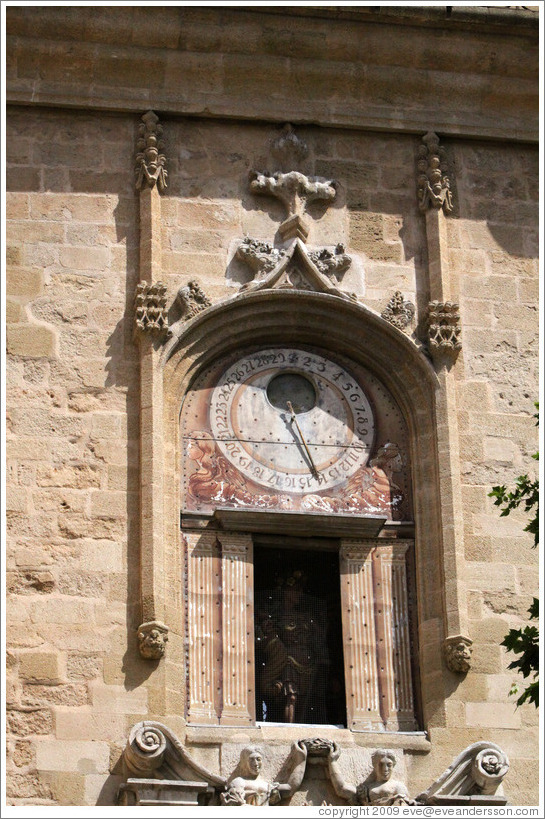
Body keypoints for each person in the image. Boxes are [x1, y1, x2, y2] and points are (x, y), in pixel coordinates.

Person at [255, 571, 328, 724]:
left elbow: (319, 638)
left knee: (303, 699)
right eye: (296, 590)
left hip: (306, 661)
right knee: (291, 697)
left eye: (301, 591)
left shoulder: (306, 617)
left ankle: (300, 726)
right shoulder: (276, 617)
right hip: (288, 660)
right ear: (286, 592)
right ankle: (289, 728)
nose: (299, 594)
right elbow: (264, 637)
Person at [221, 742, 307, 806]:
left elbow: (290, 788)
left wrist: (301, 760)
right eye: (251, 760)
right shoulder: (239, 782)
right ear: (244, 763)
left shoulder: (266, 785)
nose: (255, 764)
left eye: (258, 759)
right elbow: (234, 805)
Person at [328, 745, 416, 806]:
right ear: (374, 765)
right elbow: (342, 789)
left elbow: (403, 808)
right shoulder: (366, 789)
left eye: (389, 765)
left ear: (394, 766)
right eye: (381, 765)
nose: (385, 769)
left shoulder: (398, 787)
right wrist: (332, 762)